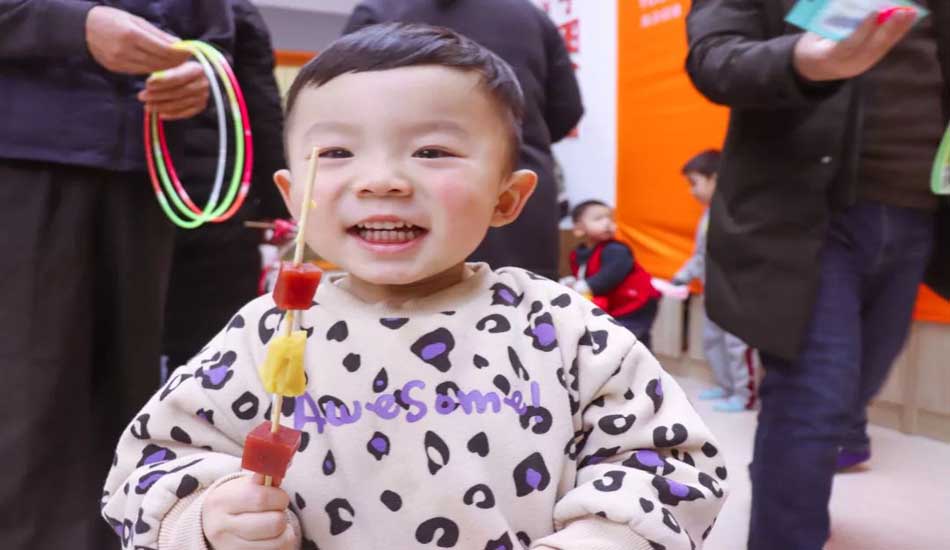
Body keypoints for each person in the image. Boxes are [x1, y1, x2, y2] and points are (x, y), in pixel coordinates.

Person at [102, 24, 727, 550]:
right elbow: (151, 463)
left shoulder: (562, 326)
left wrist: (599, 538)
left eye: (430, 152)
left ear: (508, 198)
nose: (381, 180)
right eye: (337, 153)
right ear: (294, 197)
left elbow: (667, 463)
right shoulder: (267, 332)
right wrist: (205, 519)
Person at [686, 2, 950, 548]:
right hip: (807, 212)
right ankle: (786, 527)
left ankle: (782, 479)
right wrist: (802, 61)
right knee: (814, 395)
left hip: (917, 209)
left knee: (851, 394)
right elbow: (713, 57)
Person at [0, 1, 231, 548]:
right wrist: (67, 26)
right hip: (24, 157)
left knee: (128, 395)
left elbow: (217, 37)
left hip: (146, 171)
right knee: (27, 394)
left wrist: (201, 73)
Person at [342, 0, 584, 280]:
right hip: (513, 191)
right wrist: (506, 143)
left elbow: (345, 103)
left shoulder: (380, 10)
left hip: (402, 199)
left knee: (405, 300)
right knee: (523, 298)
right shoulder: (531, 17)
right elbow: (567, 109)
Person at [162, 0, 288, 371]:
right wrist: (277, 208)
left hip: (141, 193)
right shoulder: (234, 12)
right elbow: (263, 114)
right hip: (219, 202)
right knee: (210, 350)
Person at [673, 150, 757, 413]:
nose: (691, 191)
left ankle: (744, 395)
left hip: (738, 293)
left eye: (694, 183)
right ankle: (726, 385)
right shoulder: (708, 216)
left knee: (737, 345)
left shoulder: (738, 213)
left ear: (716, 179)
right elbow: (701, 255)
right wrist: (682, 276)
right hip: (715, 292)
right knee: (713, 340)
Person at [567, 200, 662, 350]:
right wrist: (573, 282)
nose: (607, 223)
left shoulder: (616, 249)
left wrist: (586, 285)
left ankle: (642, 363)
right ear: (579, 228)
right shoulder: (578, 254)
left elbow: (609, 276)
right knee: (632, 342)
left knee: (627, 341)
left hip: (637, 302)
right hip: (618, 304)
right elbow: (583, 276)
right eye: (598, 218)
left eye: (610, 219)